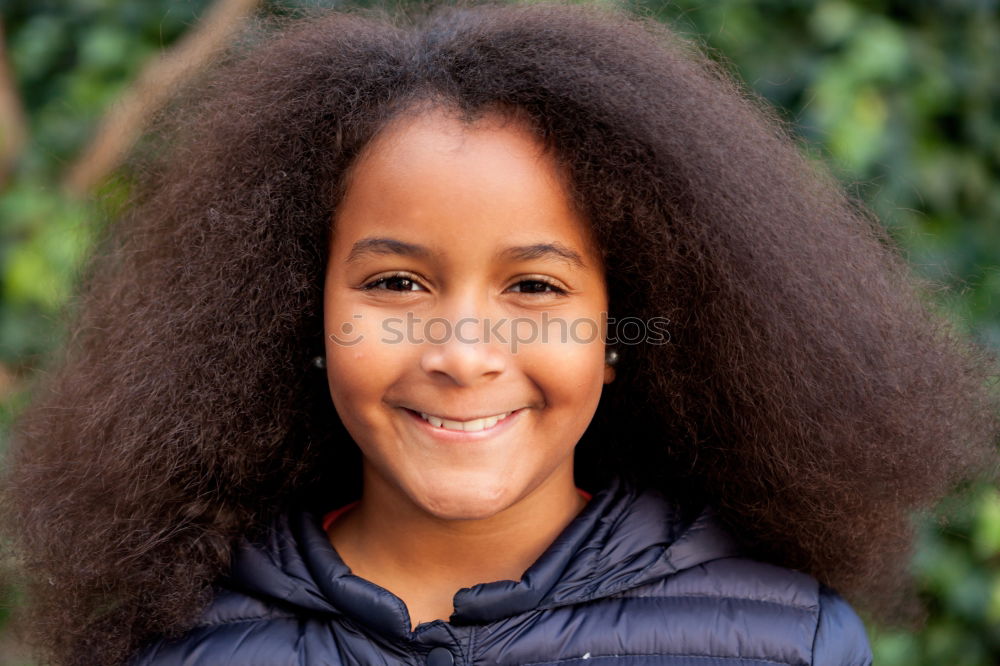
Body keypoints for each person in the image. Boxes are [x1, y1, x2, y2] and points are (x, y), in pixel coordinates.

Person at [2, 2, 997, 665]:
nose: (464, 351)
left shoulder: (785, 643)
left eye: (533, 285)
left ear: (621, 327)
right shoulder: (182, 648)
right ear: (297, 315)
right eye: (395, 282)